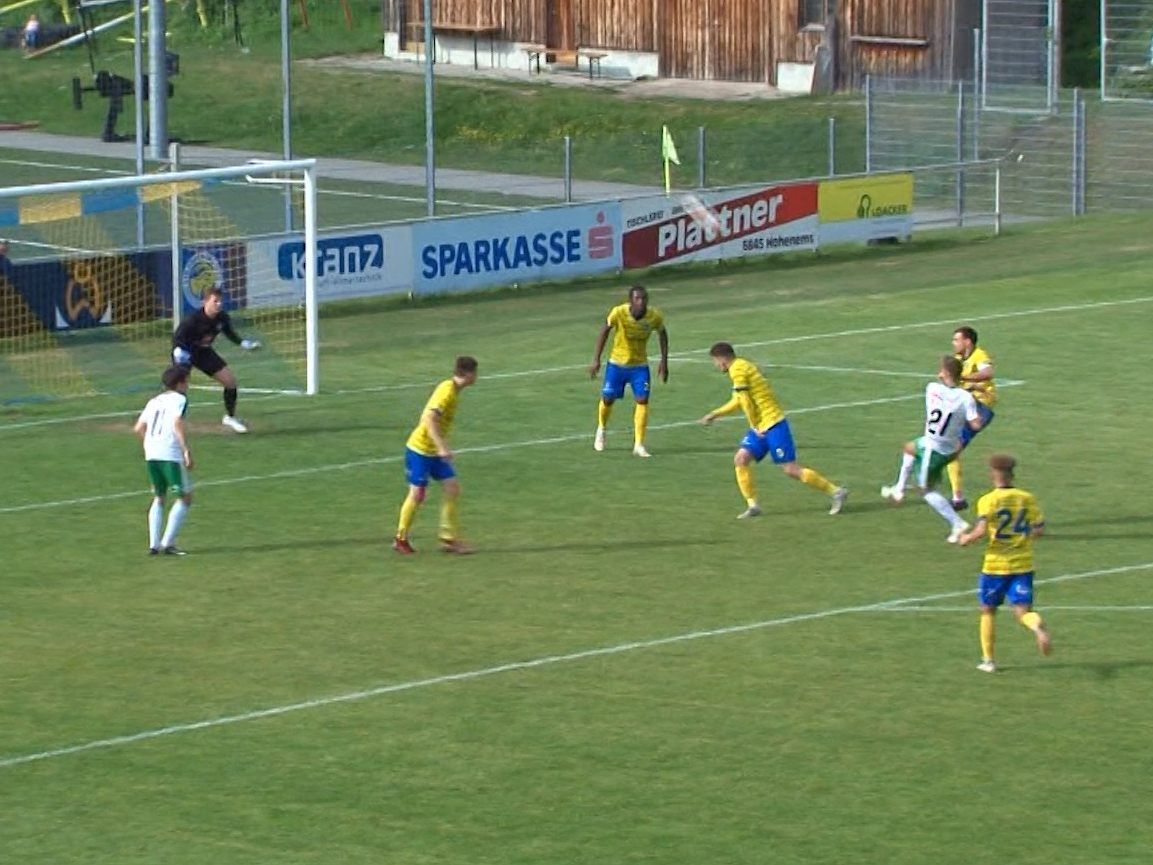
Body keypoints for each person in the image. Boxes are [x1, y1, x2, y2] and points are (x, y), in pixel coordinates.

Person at [699, 342, 848, 518]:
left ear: (722, 359)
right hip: (761, 425)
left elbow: (745, 402)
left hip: (773, 424)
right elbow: (738, 400)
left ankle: (836, 492)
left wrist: (754, 425)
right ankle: (753, 505)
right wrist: (715, 414)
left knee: (791, 469)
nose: (716, 366)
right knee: (741, 459)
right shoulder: (741, 366)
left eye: (715, 361)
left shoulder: (738, 370)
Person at [958, 454, 1051, 673]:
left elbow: (980, 531)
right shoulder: (1027, 498)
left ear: (993, 475)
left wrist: (965, 539)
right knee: (1022, 611)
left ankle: (988, 661)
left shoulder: (988, 500)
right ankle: (1036, 626)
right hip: (1023, 565)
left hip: (995, 566)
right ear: (1012, 474)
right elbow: (1039, 530)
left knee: (988, 610)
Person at [881, 355, 984, 542]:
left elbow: (941, 390)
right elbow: (976, 424)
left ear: (944, 373)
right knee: (909, 448)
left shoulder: (932, 388)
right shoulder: (966, 398)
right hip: (951, 447)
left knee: (926, 490)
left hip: (934, 449)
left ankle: (957, 523)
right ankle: (899, 489)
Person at [393, 356, 479, 555]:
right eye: (475, 373)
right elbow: (429, 419)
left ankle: (449, 538)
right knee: (417, 494)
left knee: (452, 488)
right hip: (420, 451)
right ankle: (400, 538)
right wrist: (442, 447)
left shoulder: (453, 391)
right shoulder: (447, 391)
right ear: (467, 374)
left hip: (433, 452)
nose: (477, 377)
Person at [588, 284, 669, 458]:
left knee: (642, 400)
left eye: (644, 298)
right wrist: (596, 359)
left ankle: (639, 444)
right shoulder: (619, 312)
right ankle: (601, 429)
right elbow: (605, 331)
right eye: (638, 298)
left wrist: (664, 361)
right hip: (617, 364)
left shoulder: (654, 316)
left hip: (639, 366)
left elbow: (662, 334)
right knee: (608, 399)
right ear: (631, 300)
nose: (642, 302)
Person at [172, 286, 261, 433]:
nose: (219, 304)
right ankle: (174, 421)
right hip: (185, 352)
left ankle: (230, 417)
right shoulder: (192, 320)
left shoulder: (222, 318)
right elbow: (177, 338)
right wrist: (180, 353)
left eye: (220, 301)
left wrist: (244, 343)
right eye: (215, 301)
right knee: (180, 387)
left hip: (204, 352)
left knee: (230, 381)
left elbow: (229, 333)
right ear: (205, 302)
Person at [133, 366, 194, 556]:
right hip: (170, 454)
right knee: (185, 497)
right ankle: (168, 543)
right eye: (187, 381)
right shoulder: (180, 400)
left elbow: (138, 428)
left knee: (159, 497)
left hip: (151, 453)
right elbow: (177, 423)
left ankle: (153, 544)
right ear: (180, 383)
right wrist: (185, 450)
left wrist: (151, 444)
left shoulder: (154, 401)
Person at [947, 325, 997, 510]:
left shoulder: (979, 355)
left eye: (956, 340)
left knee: (951, 448)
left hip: (981, 407)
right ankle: (957, 497)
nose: (954, 343)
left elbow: (988, 373)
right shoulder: (958, 359)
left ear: (967, 341)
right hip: (967, 406)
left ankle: (956, 496)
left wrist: (965, 378)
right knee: (951, 449)